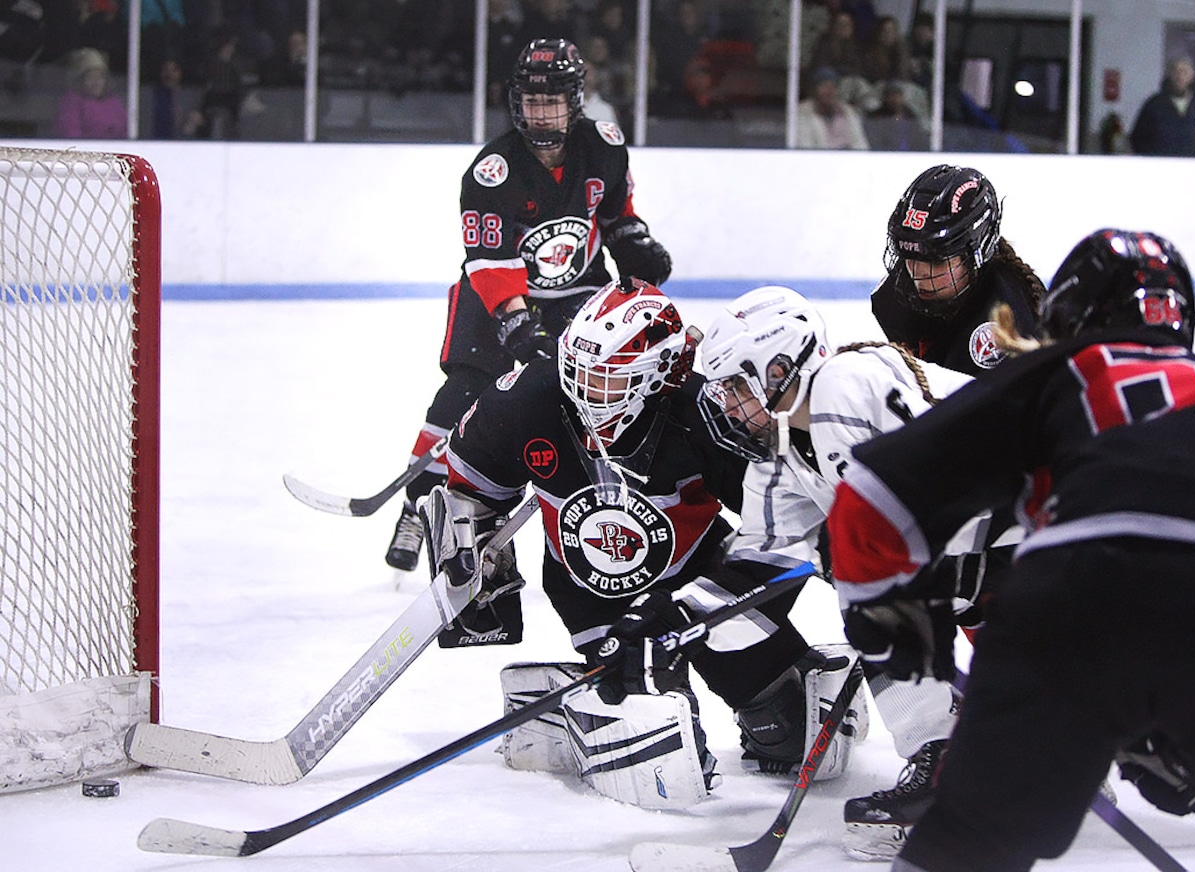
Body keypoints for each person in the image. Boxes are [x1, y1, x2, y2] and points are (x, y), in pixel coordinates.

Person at [825, 226, 1195, 871]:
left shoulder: (1057, 375)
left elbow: (871, 500)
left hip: (1074, 598)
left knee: (965, 845)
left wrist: (884, 613)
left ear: (1068, 318)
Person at [424, 277, 860, 809]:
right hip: (592, 588)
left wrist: (839, 550)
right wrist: (470, 544)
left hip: (699, 576)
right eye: (577, 370)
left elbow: (777, 521)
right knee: (659, 756)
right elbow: (471, 478)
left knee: (794, 733)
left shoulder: (705, 409)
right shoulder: (527, 397)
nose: (584, 391)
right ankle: (578, 710)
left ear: (655, 375)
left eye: (606, 380)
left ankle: (577, 707)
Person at [696, 285, 1001, 859]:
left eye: (736, 385)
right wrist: (669, 619)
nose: (729, 406)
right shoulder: (783, 448)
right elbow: (755, 560)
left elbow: (952, 488)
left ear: (779, 367)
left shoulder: (846, 384)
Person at [382, 40, 673, 638]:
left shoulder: (604, 145)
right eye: (532, 103)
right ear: (516, 103)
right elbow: (489, 261)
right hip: (493, 299)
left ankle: (600, 510)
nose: (541, 114)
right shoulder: (493, 170)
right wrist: (516, 323)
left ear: (574, 101)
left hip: (576, 294)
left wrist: (634, 241)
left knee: (592, 396)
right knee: (461, 401)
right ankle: (417, 506)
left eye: (552, 102)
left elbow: (617, 213)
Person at [870, 164, 1046, 377]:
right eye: (910, 256)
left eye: (937, 262)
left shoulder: (1008, 321)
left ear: (976, 255)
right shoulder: (896, 294)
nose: (919, 274)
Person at [1130, 56, 1195, 157]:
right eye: (1176, 71)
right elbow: (1138, 138)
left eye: (1184, 72)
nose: (1180, 76)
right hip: (1161, 163)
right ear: (1169, 74)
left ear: (1192, 76)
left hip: (1194, 164)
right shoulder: (1154, 104)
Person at [54, 46, 126, 139]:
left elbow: (125, 131)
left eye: (100, 77)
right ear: (81, 80)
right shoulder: (72, 102)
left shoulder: (114, 102)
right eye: (91, 77)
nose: (96, 82)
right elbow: (71, 134)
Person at [796, 66, 870, 150]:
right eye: (824, 86)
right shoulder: (803, 112)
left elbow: (860, 143)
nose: (829, 91)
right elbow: (805, 146)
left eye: (833, 86)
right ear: (814, 90)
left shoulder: (848, 111)